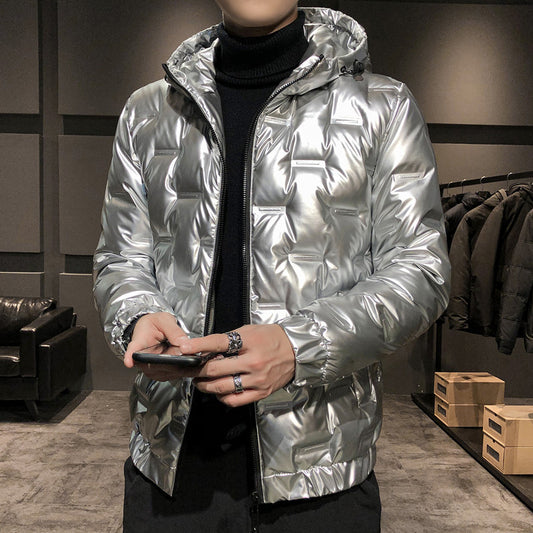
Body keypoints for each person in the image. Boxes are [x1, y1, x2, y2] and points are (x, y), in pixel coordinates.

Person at [93, 2, 450, 531]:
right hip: (171, 467)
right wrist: (139, 315)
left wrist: (298, 346)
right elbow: (120, 259)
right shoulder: (148, 112)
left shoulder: (382, 106)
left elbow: (421, 271)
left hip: (321, 474)